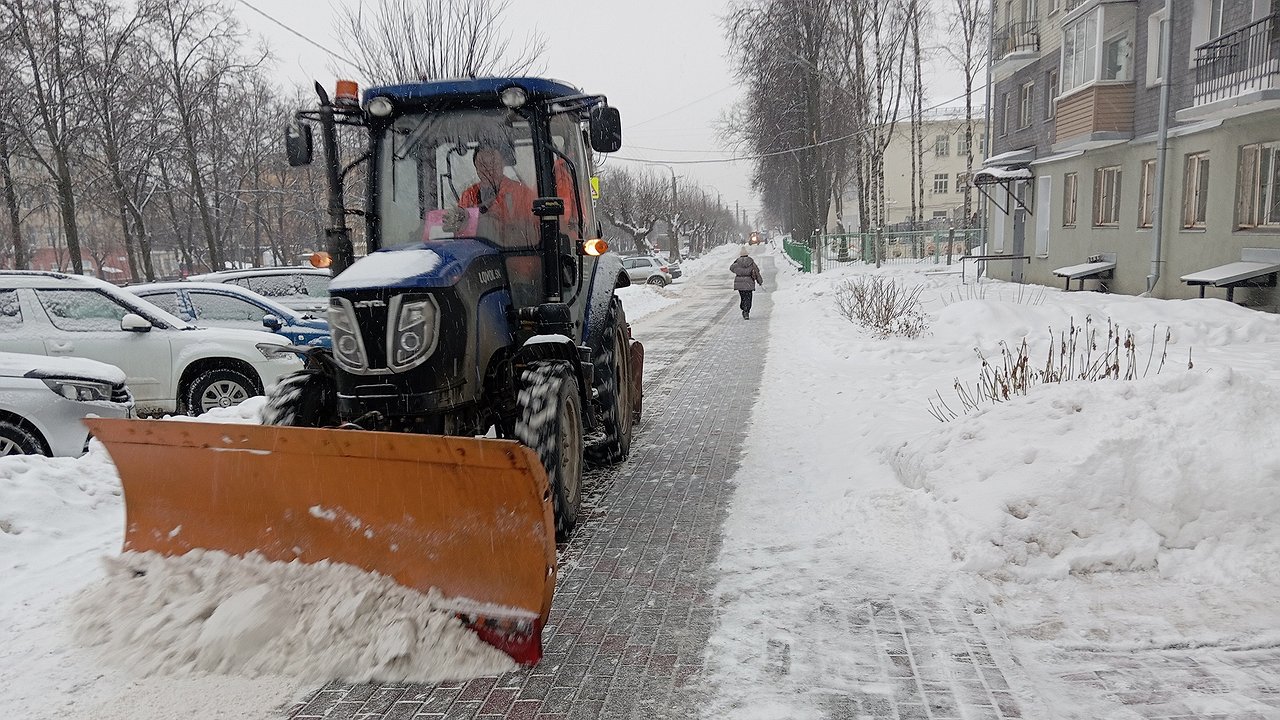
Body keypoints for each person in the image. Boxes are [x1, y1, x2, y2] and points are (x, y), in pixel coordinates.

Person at [729, 246, 763, 319]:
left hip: (739, 284)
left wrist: (738, 271)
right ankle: (746, 311)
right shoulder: (751, 262)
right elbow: (757, 271)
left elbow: (731, 268)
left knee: (743, 297)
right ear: (747, 254)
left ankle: (743, 307)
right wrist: (760, 281)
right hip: (749, 283)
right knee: (748, 298)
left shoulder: (737, 263)